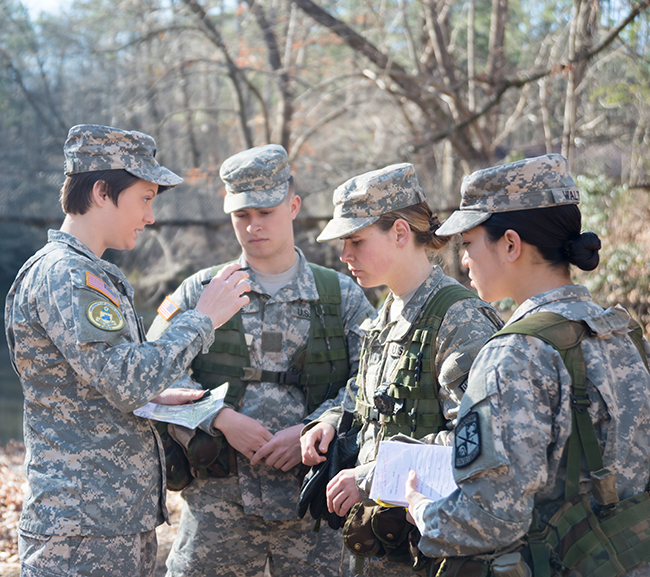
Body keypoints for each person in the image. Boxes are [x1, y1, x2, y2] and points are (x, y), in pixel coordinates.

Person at [4, 124, 251, 577]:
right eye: (145, 197)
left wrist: (152, 397)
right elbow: (124, 379)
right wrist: (204, 318)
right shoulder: (68, 275)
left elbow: (97, 382)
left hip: (108, 521)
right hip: (82, 532)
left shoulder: (89, 273)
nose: (151, 216)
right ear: (101, 191)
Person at [405, 153, 650, 576]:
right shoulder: (622, 332)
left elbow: (491, 521)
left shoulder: (514, 354)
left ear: (511, 244)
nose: (464, 261)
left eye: (469, 245)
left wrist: (422, 512)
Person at [146, 144, 376, 577]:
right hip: (219, 508)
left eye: (266, 212)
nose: (253, 226)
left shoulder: (341, 296)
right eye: (242, 215)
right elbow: (153, 376)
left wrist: (322, 424)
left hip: (315, 506)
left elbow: (371, 381)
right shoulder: (202, 291)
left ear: (293, 206)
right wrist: (218, 418)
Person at [300, 163, 504, 576]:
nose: (345, 256)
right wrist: (332, 419)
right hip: (383, 545)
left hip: (431, 550)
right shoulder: (389, 310)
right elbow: (369, 396)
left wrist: (371, 476)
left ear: (399, 232)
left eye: (356, 240)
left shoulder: (458, 320)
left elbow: (477, 443)